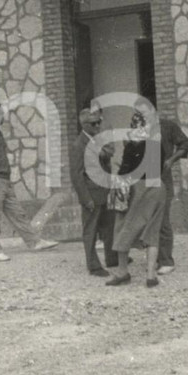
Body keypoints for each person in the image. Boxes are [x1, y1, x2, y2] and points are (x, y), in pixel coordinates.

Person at [0, 103, 57, 262]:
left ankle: (34, 242)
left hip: (4, 179)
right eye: (1, 114)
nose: (3, 117)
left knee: (17, 212)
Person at [106, 101, 169, 288]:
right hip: (157, 187)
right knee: (153, 230)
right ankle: (150, 275)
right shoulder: (157, 141)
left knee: (124, 227)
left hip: (137, 188)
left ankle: (123, 271)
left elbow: (126, 170)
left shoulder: (132, 145)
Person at [70, 108, 114, 278]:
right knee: (91, 232)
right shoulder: (78, 145)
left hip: (104, 192)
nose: (98, 126)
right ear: (84, 125)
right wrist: (85, 199)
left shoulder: (96, 141)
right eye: (94, 123)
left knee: (109, 227)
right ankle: (94, 266)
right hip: (92, 196)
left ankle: (112, 258)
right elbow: (76, 175)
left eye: (99, 122)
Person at [156, 111, 188, 275]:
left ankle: (166, 261)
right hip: (145, 182)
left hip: (163, 180)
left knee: (162, 220)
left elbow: (185, 144)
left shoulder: (168, 126)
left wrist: (171, 160)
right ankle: (155, 258)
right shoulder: (139, 128)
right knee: (150, 221)